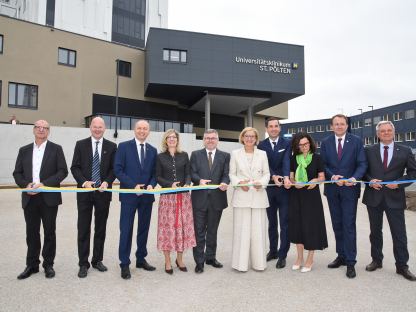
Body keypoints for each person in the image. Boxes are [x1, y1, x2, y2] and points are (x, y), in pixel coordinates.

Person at [13, 120, 68, 279]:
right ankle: (32, 265)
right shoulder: (23, 150)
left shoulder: (56, 149)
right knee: (32, 233)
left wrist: (44, 184)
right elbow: (17, 173)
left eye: (45, 128)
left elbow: (62, 171)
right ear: (34, 130)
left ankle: (48, 264)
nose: (41, 130)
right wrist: (26, 185)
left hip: (49, 197)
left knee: (49, 232)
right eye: (38, 127)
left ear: (49, 131)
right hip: (29, 198)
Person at [362, 121, 416, 281]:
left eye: (388, 130)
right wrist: (370, 180)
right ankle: (376, 260)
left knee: (399, 234)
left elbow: (413, 173)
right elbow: (363, 171)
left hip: (395, 198)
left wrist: (399, 182)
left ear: (393, 132)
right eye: (382, 131)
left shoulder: (405, 151)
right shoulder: (369, 151)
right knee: (375, 232)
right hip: (374, 197)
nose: (386, 133)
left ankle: (402, 266)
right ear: (377, 134)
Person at [320, 114, 367, 278]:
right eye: (336, 124)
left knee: (348, 225)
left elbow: (362, 163)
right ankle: (340, 255)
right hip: (333, 189)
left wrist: (354, 178)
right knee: (337, 224)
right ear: (331, 126)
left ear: (347, 125)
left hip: (349, 189)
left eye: (342, 124)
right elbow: (323, 164)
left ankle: (350, 261)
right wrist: (332, 176)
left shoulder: (356, 141)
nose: (339, 126)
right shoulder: (325, 143)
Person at [70, 117, 117, 278]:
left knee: (100, 228)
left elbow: (113, 169)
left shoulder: (112, 146)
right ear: (90, 127)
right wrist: (83, 182)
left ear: (105, 129)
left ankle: (97, 260)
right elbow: (74, 167)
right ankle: (83, 263)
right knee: (83, 228)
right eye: (95, 126)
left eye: (100, 127)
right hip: (84, 193)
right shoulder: (80, 144)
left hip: (103, 194)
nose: (97, 129)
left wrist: (106, 182)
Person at [114, 120, 157, 279]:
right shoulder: (123, 147)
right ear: (134, 130)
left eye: (145, 129)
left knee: (143, 229)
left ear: (148, 131)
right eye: (139, 128)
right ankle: (124, 263)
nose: (142, 131)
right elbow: (118, 169)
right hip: (128, 196)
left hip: (147, 197)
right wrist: (133, 186)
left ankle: (141, 259)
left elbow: (154, 173)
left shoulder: (152, 150)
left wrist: (152, 185)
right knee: (126, 229)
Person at [229, 127, 270, 272]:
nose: (249, 138)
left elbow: (266, 173)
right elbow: (232, 174)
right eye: (246, 136)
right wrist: (240, 183)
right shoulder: (235, 154)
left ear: (256, 138)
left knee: (258, 232)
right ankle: (240, 265)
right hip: (242, 197)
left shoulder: (262, 154)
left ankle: (259, 264)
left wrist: (262, 183)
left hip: (258, 196)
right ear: (242, 137)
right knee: (241, 231)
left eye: (252, 136)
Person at [156, 129, 196, 274]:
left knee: (182, 228)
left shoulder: (184, 155)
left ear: (177, 140)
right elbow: (158, 177)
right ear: (165, 140)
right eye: (169, 137)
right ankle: (167, 261)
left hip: (183, 197)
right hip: (167, 198)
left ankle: (179, 259)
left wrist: (187, 182)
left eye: (174, 137)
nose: (172, 139)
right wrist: (169, 184)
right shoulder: (160, 157)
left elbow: (188, 173)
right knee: (167, 229)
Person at [190, 129, 230, 274]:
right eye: (207, 138)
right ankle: (199, 262)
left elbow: (226, 174)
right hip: (199, 200)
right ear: (204, 140)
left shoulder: (225, 156)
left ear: (217, 139)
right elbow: (192, 172)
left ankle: (210, 258)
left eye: (213, 138)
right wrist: (198, 180)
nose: (210, 140)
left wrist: (225, 183)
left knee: (212, 231)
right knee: (199, 232)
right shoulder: (195, 155)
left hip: (217, 199)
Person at [288, 133, 327, 273]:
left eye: (306, 144)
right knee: (298, 226)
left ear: (310, 143)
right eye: (301, 145)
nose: (304, 147)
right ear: (296, 146)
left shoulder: (317, 158)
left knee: (311, 227)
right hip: (297, 195)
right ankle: (299, 258)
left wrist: (315, 181)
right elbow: (291, 177)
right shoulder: (294, 158)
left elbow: (322, 176)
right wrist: (294, 183)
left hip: (312, 197)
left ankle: (310, 259)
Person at [258, 117, 291, 268]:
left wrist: (284, 177)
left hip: (284, 189)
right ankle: (273, 251)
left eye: (276, 126)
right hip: (269, 188)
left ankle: (282, 254)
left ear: (280, 128)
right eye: (270, 126)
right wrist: (272, 175)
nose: (273, 128)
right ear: (266, 129)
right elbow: (262, 164)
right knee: (272, 223)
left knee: (284, 223)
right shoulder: (261, 145)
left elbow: (287, 162)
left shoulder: (287, 143)